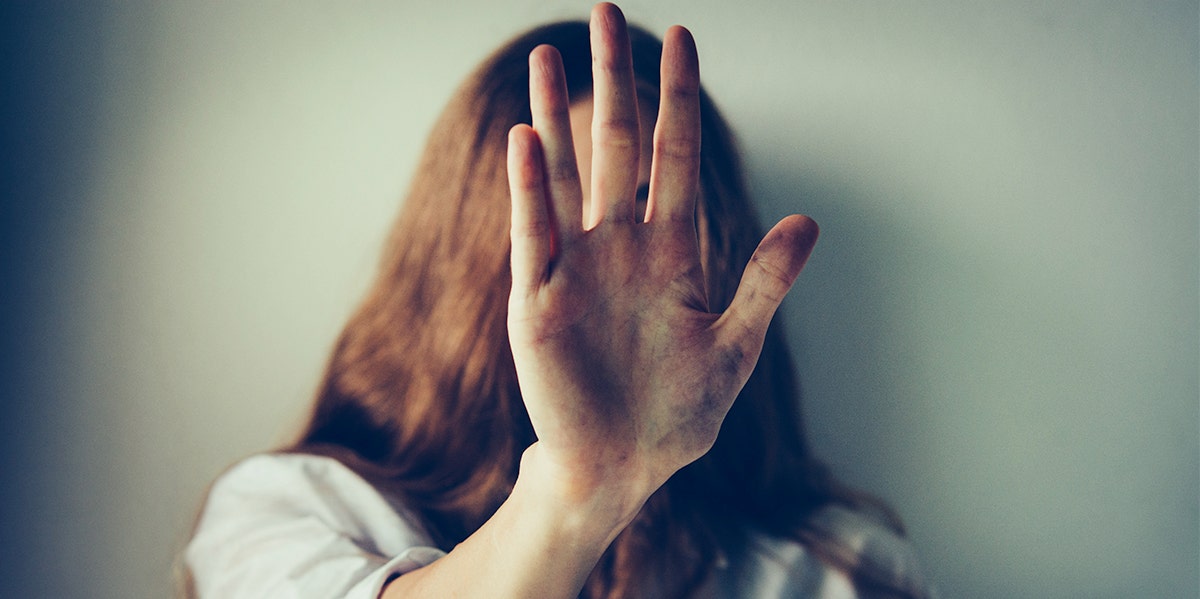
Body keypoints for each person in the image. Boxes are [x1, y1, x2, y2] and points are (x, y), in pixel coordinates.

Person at [182, 4, 931, 598]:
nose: (609, 275)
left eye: (644, 215)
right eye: (560, 220)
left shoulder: (834, 574)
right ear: (463, 243)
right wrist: (582, 487)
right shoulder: (294, 514)